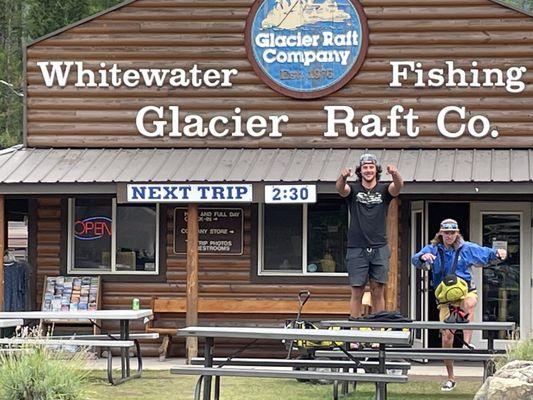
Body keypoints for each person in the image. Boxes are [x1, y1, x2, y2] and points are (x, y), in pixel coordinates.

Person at [411, 218, 507, 392]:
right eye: (446, 232)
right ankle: (450, 377)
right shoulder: (432, 249)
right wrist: (422, 257)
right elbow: (415, 260)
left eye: (452, 232)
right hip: (445, 297)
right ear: (440, 233)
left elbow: (485, 253)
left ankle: (467, 343)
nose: (449, 236)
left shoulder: (466, 248)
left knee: (469, 303)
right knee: (447, 338)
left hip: (465, 290)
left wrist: (499, 252)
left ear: (457, 233)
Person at [336, 153, 403, 319]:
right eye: (365, 167)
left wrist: (395, 174)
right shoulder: (353, 189)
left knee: (377, 290)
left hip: (379, 247)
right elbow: (341, 190)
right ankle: (355, 336)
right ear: (360, 170)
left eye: (371, 167)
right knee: (357, 290)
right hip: (356, 247)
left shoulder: (383, 190)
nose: (368, 170)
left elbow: (398, 187)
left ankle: (377, 335)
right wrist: (342, 177)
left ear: (376, 170)